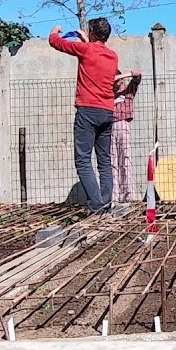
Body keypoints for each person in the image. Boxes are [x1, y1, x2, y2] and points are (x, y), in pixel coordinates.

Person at [49, 19, 119, 214]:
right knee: (104, 160)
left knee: (83, 160)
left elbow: (57, 43)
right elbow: (95, 53)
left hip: (87, 111)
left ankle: (97, 206)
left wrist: (55, 31)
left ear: (93, 32)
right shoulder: (113, 56)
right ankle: (105, 203)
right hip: (107, 112)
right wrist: (87, 39)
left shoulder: (86, 50)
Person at [111, 70, 143, 201]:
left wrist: (127, 74)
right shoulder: (108, 93)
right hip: (110, 126)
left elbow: (138, 76)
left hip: (123, 124)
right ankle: (114, 195)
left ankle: (128, 194)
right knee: (112, 162)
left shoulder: (128, 90)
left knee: (125, 158)